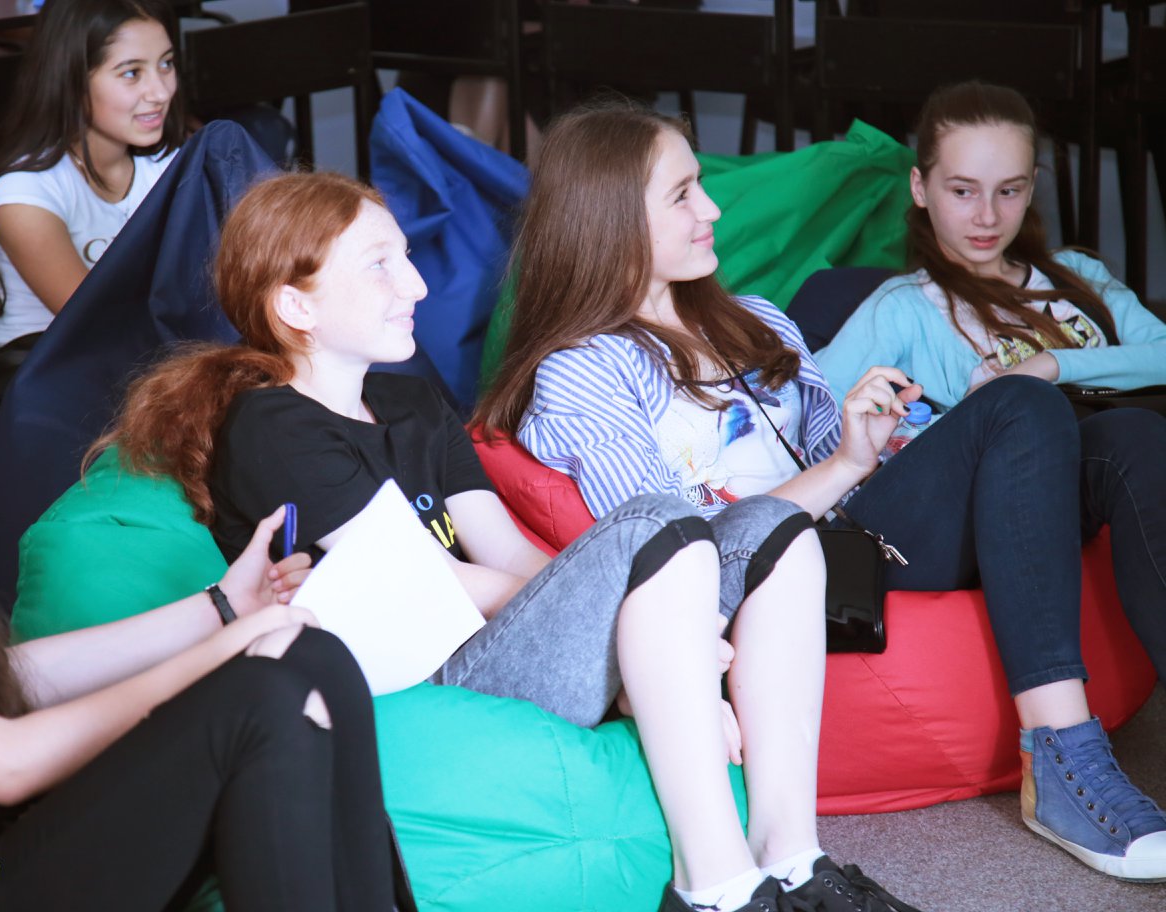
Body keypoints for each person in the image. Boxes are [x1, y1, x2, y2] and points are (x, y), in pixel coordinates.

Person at [99, 170, 916, 912]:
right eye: (380, 266)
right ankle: (719, 891)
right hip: (432, 673)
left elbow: (511, 557)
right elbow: (429, 584)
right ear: (297, 307)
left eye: (405, 258)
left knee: (776, 527)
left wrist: (652, 617)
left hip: (502, 642)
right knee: (653, 523)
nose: (416, 284)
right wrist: (655, 632)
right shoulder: (272, 425)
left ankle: (793, 862)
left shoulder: (412, 404)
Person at [479, 96, 1166, 887]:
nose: (712, 209)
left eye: (702, 186)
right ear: (610, 219)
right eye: (683, 194)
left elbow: (830, 458)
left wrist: (872, 440)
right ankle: (1063, 760)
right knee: (1021, 402)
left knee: (1130, 438)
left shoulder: (756, 320)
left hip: (861, 521)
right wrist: (841, 467)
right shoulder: (583, 371)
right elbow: (672, 556)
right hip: (800, 570)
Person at [0, 237, 397, 911]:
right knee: (263, 697)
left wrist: (223, 608)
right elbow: (5, 763)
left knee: (312, 652)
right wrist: (222, 654)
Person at [0, 0, 185, 351]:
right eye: (131, 73)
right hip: (54, 374)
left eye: (166, 64)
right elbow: (100, 331)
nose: (161, 92)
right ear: (72, 80)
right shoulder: (24, 195)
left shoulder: (169, 165)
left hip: (158, 361)